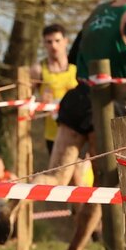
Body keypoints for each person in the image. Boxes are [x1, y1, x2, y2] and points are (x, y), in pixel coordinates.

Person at [50, 0, 126, 250]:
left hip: (78, 95)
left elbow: (73, 56)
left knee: (55, 177)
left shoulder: (99, 10)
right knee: (105, 181)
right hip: (104, 104)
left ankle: (11, 210)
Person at [33, 24, 77, 158]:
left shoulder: (77, 67)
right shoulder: (38, 70)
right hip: (53, 135)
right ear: (44, 44)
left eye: (57, 41)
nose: (54, 46)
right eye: (49, 42)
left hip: (79, 132)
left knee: (83, 170)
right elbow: (24, 103)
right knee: (60, 170)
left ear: (66, 41)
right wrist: (40, 102)